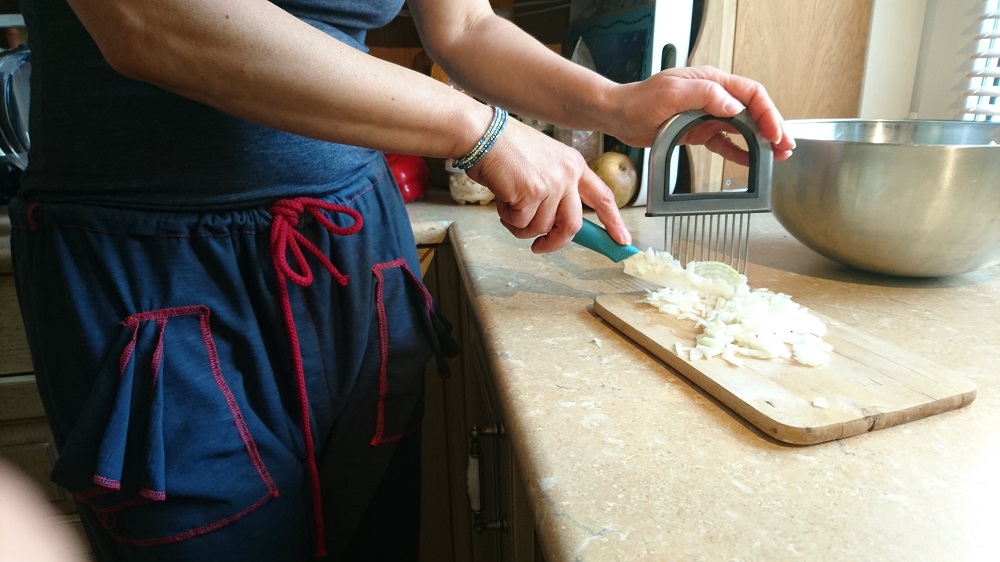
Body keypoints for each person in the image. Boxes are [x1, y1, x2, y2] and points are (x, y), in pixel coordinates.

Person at [9, 0, 795, 561]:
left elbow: (465, 25)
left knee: (373, 538)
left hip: (357, 257)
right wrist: (479, 130)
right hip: (152, 277)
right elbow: (151, 22)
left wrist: (613, 104)